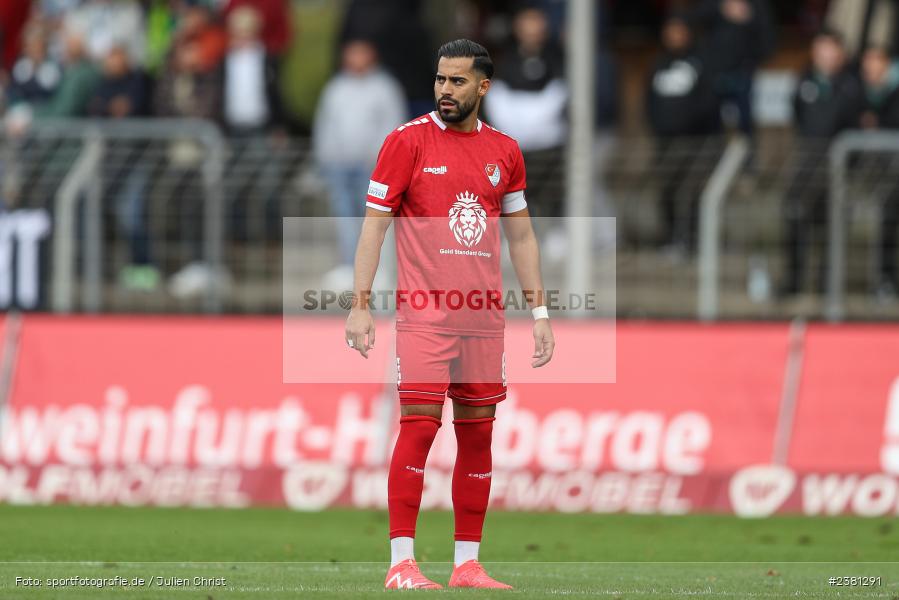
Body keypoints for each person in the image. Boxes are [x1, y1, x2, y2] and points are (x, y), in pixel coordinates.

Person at [344, 39, 555, 590]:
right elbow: (374, 225)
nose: (445, 89)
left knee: (479, 437)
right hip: (425, 317)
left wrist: (540, 312)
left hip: (483, 320)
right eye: (441, 79)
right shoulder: (406, 142)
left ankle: (467, 564)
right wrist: (360, 305)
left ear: (483, 87)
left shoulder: (505, 152)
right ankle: (401, 563)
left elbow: (523, 235)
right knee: (417, 428)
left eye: (458, 81)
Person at [313, 38, 406, 286]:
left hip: (372, 168)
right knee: (345, 219)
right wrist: (327, 157)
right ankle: (348, 267)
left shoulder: (384, 87)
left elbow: (393, 126)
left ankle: (379, 271)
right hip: (339, 166)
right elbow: (325, 125)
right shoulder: (336, 88)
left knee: (375, 219)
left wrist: (382, 162)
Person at [781, 29, 860, 296]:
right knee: (794, 219)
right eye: (820, 49)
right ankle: (794, 280)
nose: (825, 56)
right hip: (807, 164)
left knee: (832, 227)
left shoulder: (851, 85)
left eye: (831, 49)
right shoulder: (803, 82)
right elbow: (799, 116)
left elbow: (848, 121)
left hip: (838, 168)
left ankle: (828, 284)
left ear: (840, 53)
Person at [646, 17, 721, 253]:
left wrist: (688, 122)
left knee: (693, 193)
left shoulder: (702, 62)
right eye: (670, 31)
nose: (674, 36)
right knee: (666, 191)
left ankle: (693, 240)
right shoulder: (658, 64)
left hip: (695, 141)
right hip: (666, 142)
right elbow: (649, 101)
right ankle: (670, 238)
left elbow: (709, 101)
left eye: (679, 31)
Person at [485, 5, 566, 218]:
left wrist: (538, 117)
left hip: (549, 144)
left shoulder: (557, 58)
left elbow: (561, 92)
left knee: (551, 190)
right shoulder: (505, 60)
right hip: (515, 142)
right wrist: (517, 124)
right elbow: (496, 96)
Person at [683, 0, 775, 136]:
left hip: (742, 72)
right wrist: (722, 8)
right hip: (713, 72)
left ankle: (748, 155)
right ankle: (715, 153)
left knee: (745, 124)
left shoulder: (756, 5)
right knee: (711, 121)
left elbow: (767, 37)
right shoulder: (714, 4)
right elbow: (695, 17)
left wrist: (749, 17)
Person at [856, 46, 899, 299]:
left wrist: (878, 124)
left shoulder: (892, 92)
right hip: (882, 173)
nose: (871, 70)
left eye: (876, 64)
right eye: (867, 64)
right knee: (887, 225)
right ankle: (885, 281)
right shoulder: (859, 90)